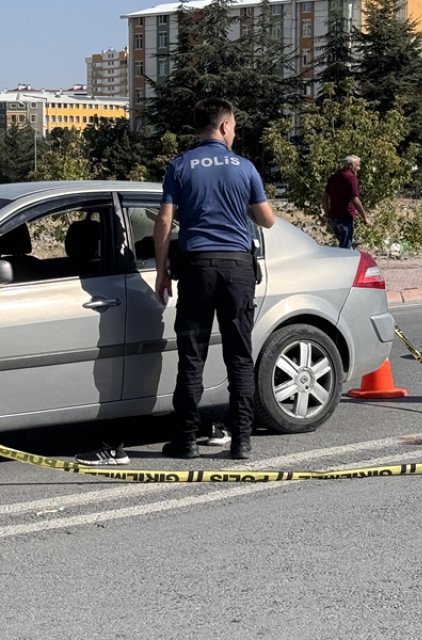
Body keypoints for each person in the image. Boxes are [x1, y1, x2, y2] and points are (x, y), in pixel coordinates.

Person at [154, 97, 276, 461]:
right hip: (238, 269)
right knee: (239, 356)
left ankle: (186, 440)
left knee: (192, 356)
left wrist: (162, 271)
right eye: (234, 126)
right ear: (224, 126)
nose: (234, 132)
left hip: (196, 268)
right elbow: (266, 219)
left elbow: (163, 221)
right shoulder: (244, 167)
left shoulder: (180, 166)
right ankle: (241, 441)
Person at [322, 155, 371, 250]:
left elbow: (325, 197)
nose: (359, 168)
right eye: (358, 165)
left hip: (334, 218)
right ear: (351, 165)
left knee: (345, 245)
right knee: (345, 250)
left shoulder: (334, 177)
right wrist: (365, 217)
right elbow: (355, 199)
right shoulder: (351, 178)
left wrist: (328, 214)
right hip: (345, 218)